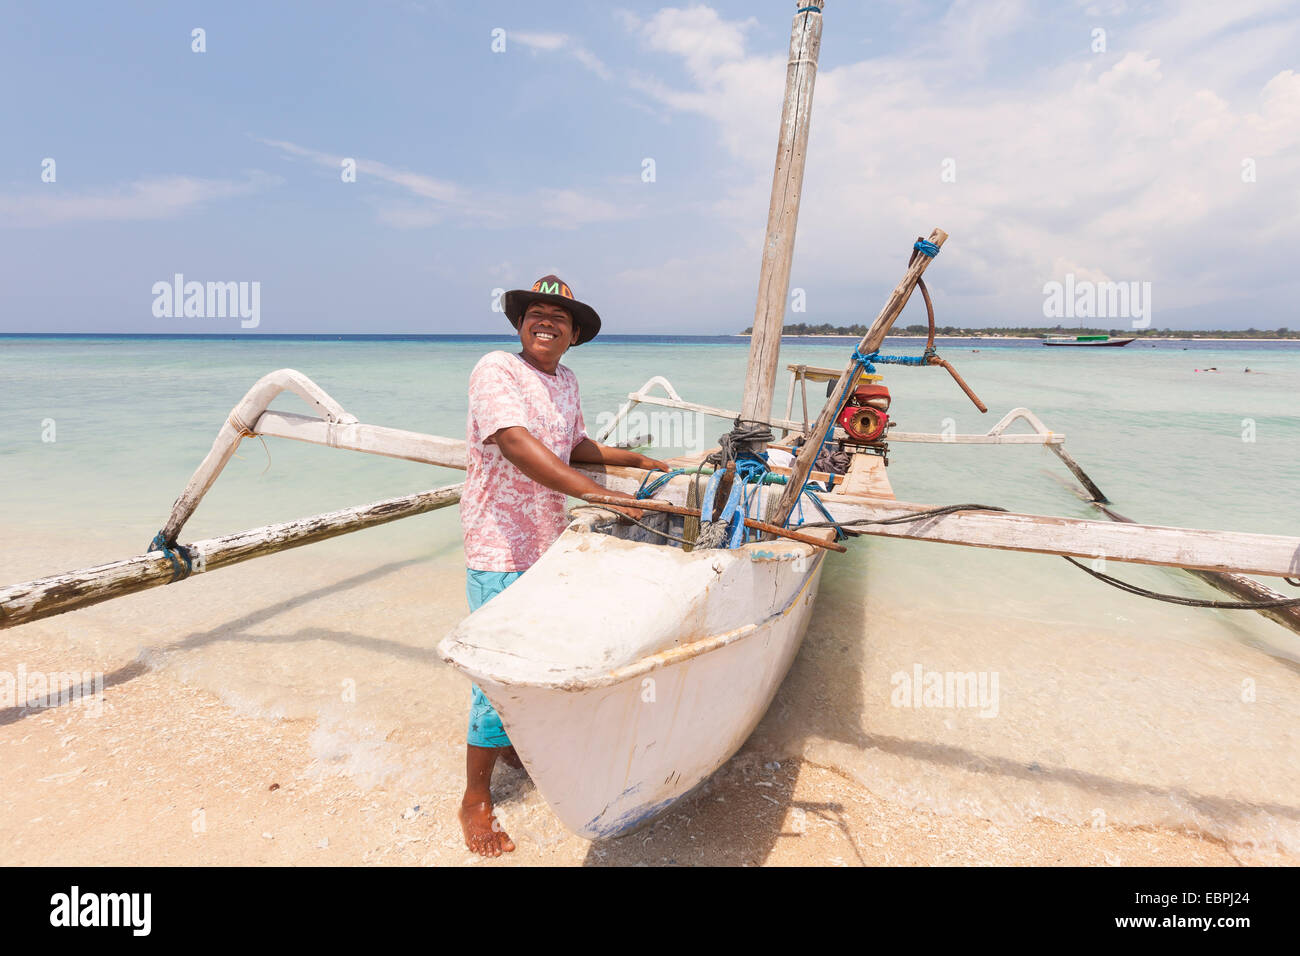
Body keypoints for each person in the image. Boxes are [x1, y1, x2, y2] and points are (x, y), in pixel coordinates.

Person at [457, 274, 669, 857]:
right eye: (535, 313)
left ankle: (515, 746)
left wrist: (640, 461)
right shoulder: (496, 370)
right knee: (495, 676)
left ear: (574, 335)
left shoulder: (566, 380)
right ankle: (476, 798)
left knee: (535, 655)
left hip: (548, 542)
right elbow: (518, 444)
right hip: (498, 544)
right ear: (521, 324)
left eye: (559, 317)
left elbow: (571, 446)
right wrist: (604, 497)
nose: (545, 322)